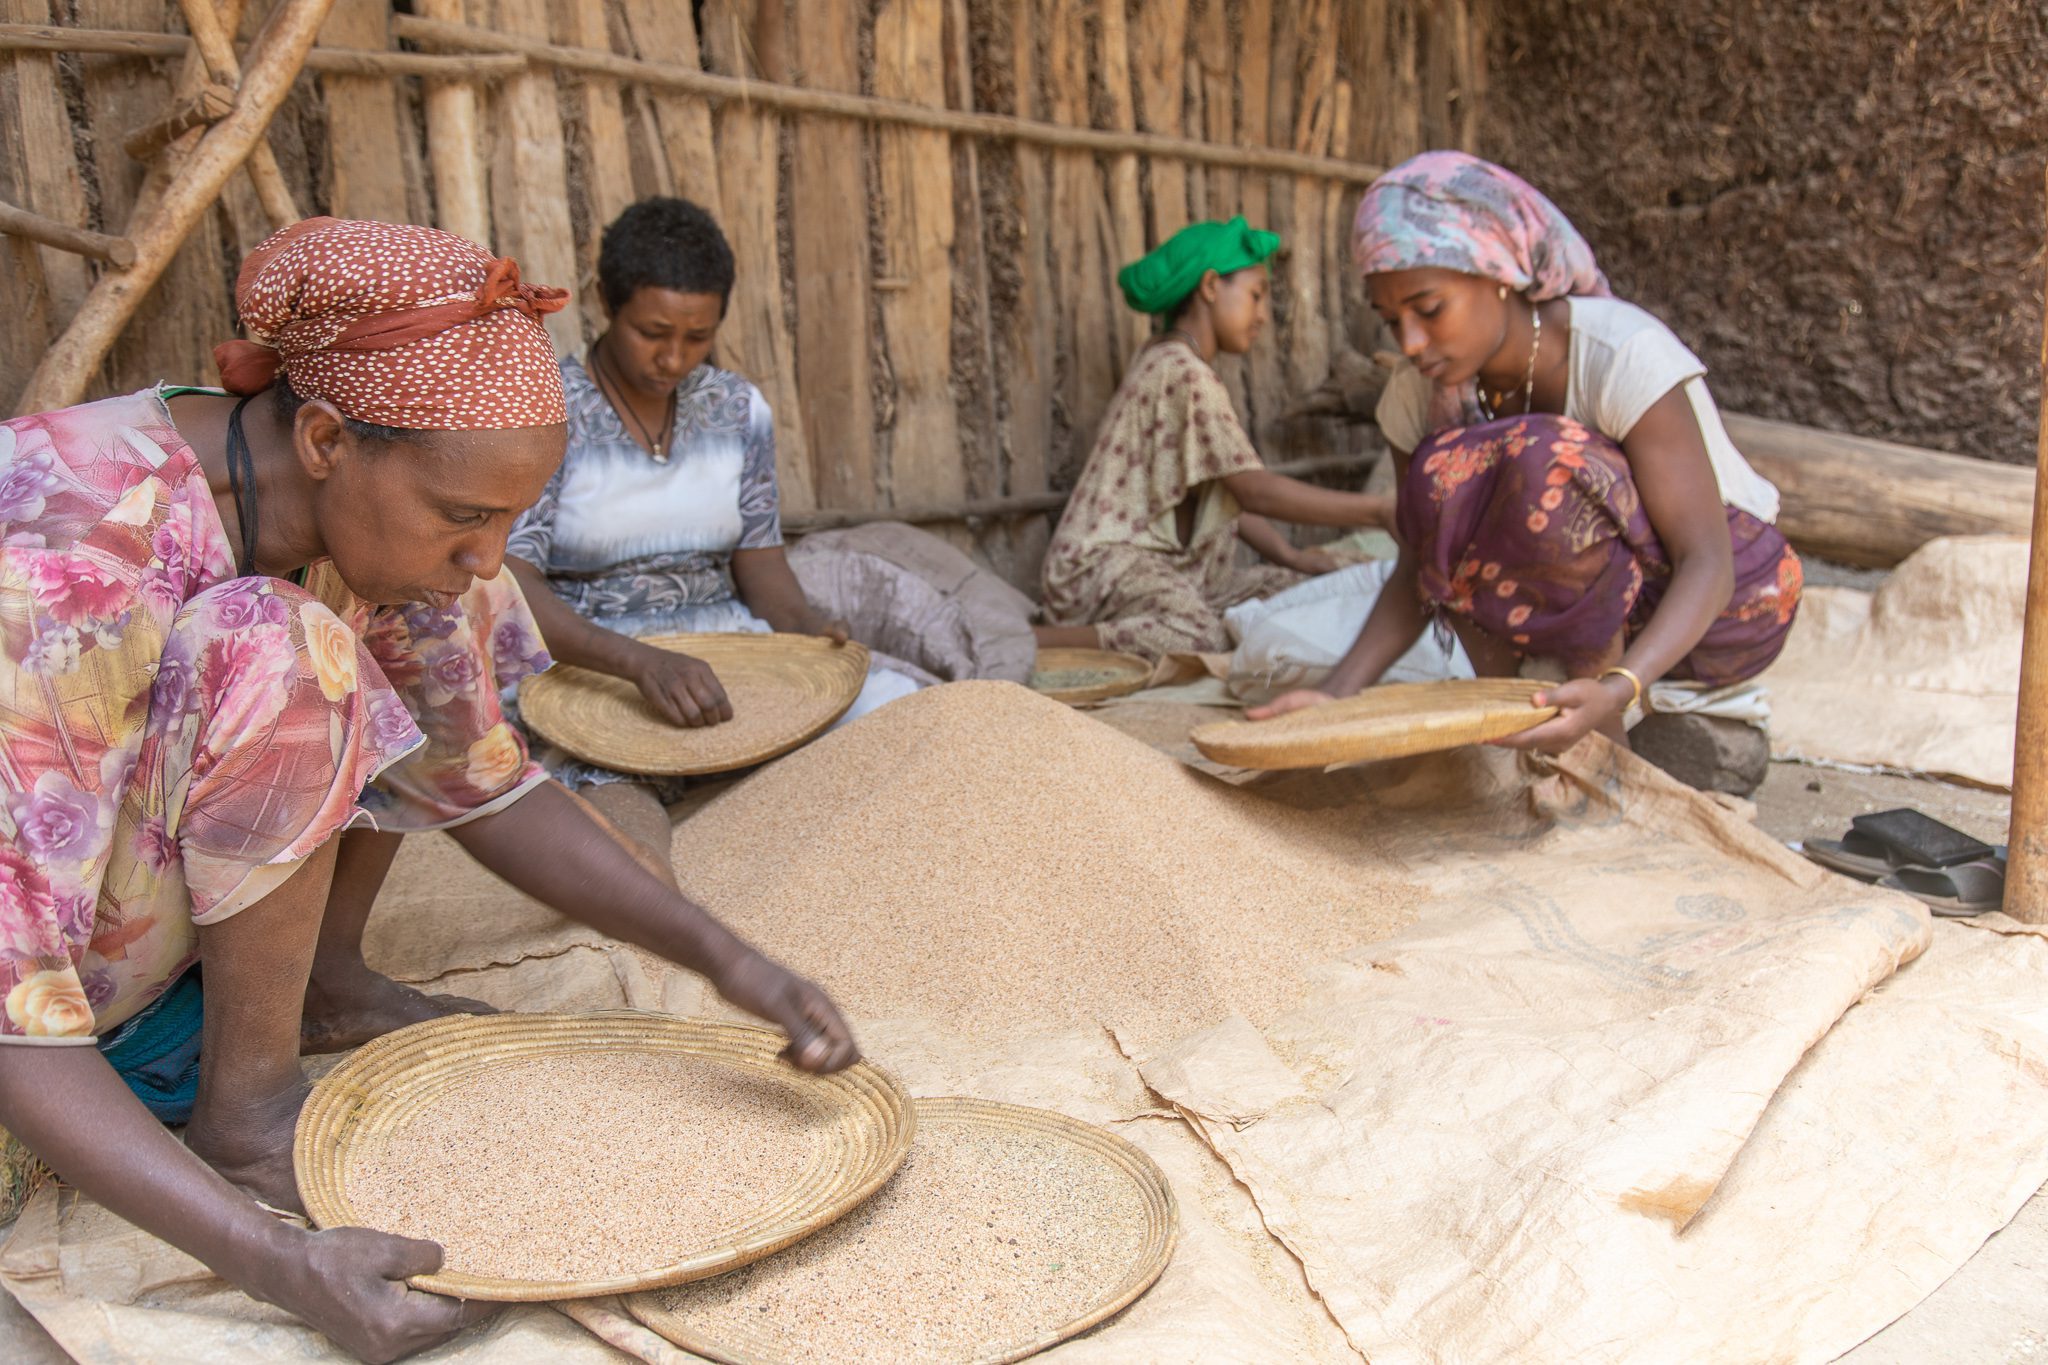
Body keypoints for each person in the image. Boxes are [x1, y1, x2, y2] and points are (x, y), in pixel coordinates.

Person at [0, 218, 857, 1363]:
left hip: (121, 942)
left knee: (379, 622)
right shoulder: (61, 562)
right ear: (323, 437)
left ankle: (322, 985)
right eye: (465, 518)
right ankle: (246, 1110)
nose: (490, 557)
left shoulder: (374, 507)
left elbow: (485, 783)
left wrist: (726, 958)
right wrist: (273, 1264)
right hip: (39, 1002)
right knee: (282, 643)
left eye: (506, 520)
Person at [1251, 152, 1803, 750]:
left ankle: (1601, 749)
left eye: (1430, 309)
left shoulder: (1620, 353)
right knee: (1446, 486)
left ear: (1500, 273)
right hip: (1581, 622)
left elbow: (1708, 562)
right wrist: (1335, 692)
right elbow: (1421, 562)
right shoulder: (1416, 397)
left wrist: (1619, 687)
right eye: (1391, 320)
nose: (1410, 341)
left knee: (1540, 461)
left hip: (1726, 605)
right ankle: (1520, 714)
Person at [505, 198, 918, 875]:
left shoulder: (736, 408)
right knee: (619, 810)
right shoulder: (546, 409)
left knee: (901, 713)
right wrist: (639, 664)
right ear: (605, 300)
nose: (673, 358)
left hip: (729, 649)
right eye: (652, 332)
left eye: (698, 337)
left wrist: (805, 629)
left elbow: (761, 564)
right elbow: (513, 581)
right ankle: (649, 885)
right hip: (592, 661)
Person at [1035, 216, 1394, 661]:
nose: (1262, 316)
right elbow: (1253, 491)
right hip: (1099, 569)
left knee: (1291, 592)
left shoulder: (1171, 361)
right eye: (1256, 295)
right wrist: (1379, 511)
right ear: (1210, 286)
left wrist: (1292, 557)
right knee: (1198, 635)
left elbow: (1227, 494)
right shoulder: (1182, 372)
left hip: (1175, 573)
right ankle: (1035, 640)